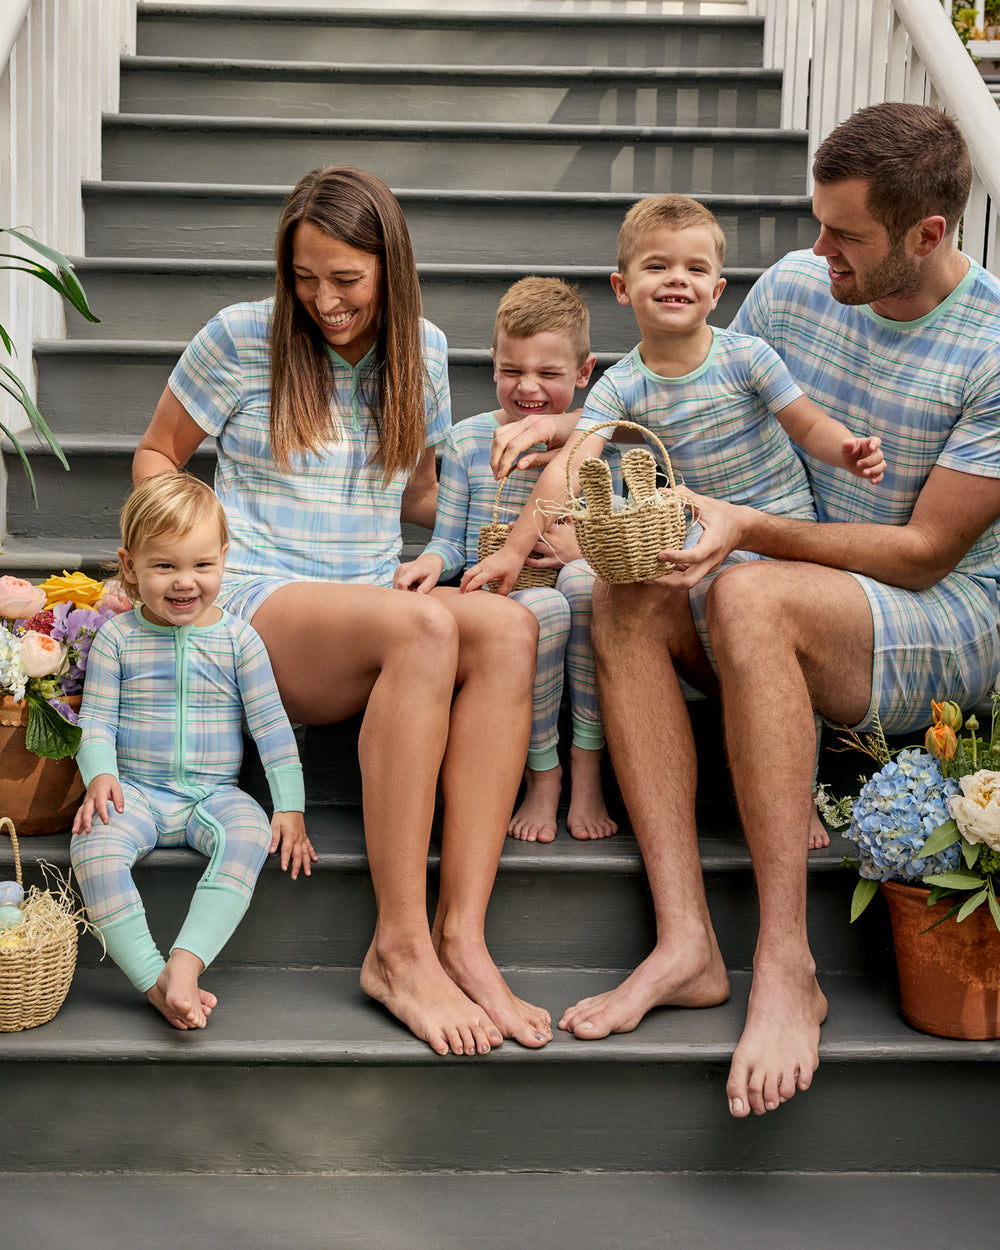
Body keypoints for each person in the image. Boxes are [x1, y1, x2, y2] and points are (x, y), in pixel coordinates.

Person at [483, 103, 1000, 1118]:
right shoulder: (802, 290)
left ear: (926, 235)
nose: (814, 251)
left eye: (843, 234)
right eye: (818, 223)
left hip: (934, 613)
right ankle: (684, 941)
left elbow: (923, 551)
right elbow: (682, 406)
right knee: (630, 586)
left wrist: (744, 527)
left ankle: (786, 963)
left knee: (754, 588)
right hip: (766, 567)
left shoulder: (990, 351)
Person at [130, 165, 552, 1057]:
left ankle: (460, 937)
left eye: (346, 280)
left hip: (373, 595)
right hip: (254, 597)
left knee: (512, 630)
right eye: (304, 277)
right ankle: (395, 946)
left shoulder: (424, 350)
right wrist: (176, 553)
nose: (323, 299)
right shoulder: (241, 337)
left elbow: (419, 491)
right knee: (427, 623)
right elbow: (158, 453)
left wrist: (519, 528)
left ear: (388, 270)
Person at [465, 195, 885, 850]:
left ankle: (797, 794)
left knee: (762, 626)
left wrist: (848, 449)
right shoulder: (621, 385)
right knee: (649, 599)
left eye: (694, 269)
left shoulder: (746, 357)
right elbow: (569, 466)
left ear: (717, 290)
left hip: (776, 534)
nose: (676, 279)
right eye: (657, 265)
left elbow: (806, 424)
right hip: (699, 536)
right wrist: (514, 552)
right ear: (623, 287)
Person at [71, 474, 314, 1030]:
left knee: (250, 831)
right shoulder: (118, 638)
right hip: (136, 793)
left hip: (213, 795)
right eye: (165, 567)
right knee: (92, 848)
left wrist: (290, 807)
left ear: (225, 559)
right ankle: (153, 979)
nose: (185, 583)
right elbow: (97, 720)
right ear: (129, 566)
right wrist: (100, 775)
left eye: (202, 565)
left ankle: (187, 961)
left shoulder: (238, 640)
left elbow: (272, 727)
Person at [395, 277, 618, 842]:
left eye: (549, 374)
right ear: (493, 364)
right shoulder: (469, 442)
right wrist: (430, 561)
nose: (529, 388)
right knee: (541, 608)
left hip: (572, 583)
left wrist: (579, 547)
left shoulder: (589, 442)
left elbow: (610, 532)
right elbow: (450, 538)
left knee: (582, 588)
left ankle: (587, 763)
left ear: (584, 372)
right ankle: (543, 772)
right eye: (513, 370)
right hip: (508, 599)